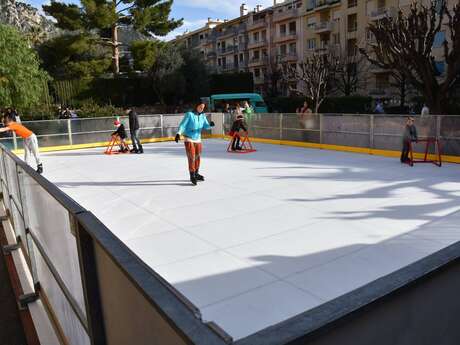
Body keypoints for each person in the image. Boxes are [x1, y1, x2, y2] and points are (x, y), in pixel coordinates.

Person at [175, 102, 215, 185]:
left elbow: (206, 126)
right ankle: (192, 174)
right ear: (196, 106)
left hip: (198, 139)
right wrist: (178, 133)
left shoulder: (203, 116)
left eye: (203, 107)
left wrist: (211, 125)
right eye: (200, 106)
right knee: (192, 156)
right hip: (188, 138)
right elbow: (183, 125)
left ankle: (196, 173)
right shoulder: (189, 114)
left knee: (197, 156)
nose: (202, 109)